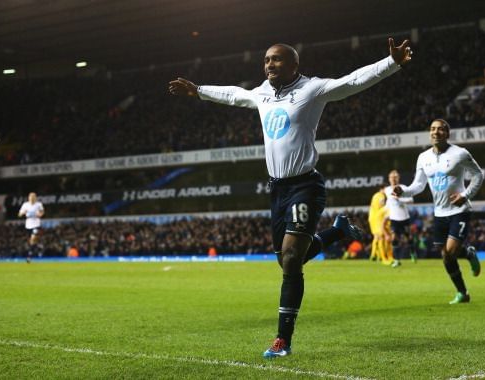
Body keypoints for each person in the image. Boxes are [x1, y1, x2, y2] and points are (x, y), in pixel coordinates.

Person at [169, 37, 412, 357]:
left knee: (291, 259)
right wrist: (199, 91)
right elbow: (234, 94)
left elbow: (351, 81)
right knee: (286, 258)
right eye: (267, 59)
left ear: (294, 65)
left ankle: (283, 340)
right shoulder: (262, 94)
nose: (270, 64)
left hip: (305, 186)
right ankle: (338, 230)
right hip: (277, 189)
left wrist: (391, 63)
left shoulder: (312, 89)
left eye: (277, 60)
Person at [392, 119, 483, 304]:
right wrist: (403, 190)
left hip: (460, 209)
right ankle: (463, 292)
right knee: (445, 256)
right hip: (439, 213)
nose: (436, 132)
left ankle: (467, 256)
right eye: (433, 129)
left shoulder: (460, 153)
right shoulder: (423, 157)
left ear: (447, 133)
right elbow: (418, 186)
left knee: (450, 251)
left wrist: (465, 195)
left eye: (440, 129)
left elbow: (478, 174)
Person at [384, 170, 415, 267]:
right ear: (389, 179)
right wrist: (385, 209)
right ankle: (396, 260)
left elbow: (411, 200)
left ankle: (412, 253)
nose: (393, 179)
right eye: (391, 177)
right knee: (394, 238)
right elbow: (389, 202)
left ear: (398, 178)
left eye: (395, 177)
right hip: (394, 218)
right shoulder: (387, 190)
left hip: (404, 217)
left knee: (408, 237)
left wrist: (400, 199)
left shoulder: (404, 188)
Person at [367, 186, 393, 263]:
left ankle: (374, 255)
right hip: (378, 217)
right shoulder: (381, 196)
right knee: (382, 236)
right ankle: (383, 257)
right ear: (383, 188)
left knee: (376, 236)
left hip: (372, 217)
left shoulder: (375, 195)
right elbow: (382, 204)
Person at [17, 192, 45, 263]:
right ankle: (38, 247)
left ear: (35, 197)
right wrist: (23, 213)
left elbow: (42, 212)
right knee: (30, 242)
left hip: (36, 224)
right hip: (28, 225)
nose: (32, 198)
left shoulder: (39, 204)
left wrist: (40, 214)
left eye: (34, 197)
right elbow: (19, 214)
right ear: (28, 197)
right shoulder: (25, 205)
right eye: (31, 197)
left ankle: (29, 256)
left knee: (33, 238)